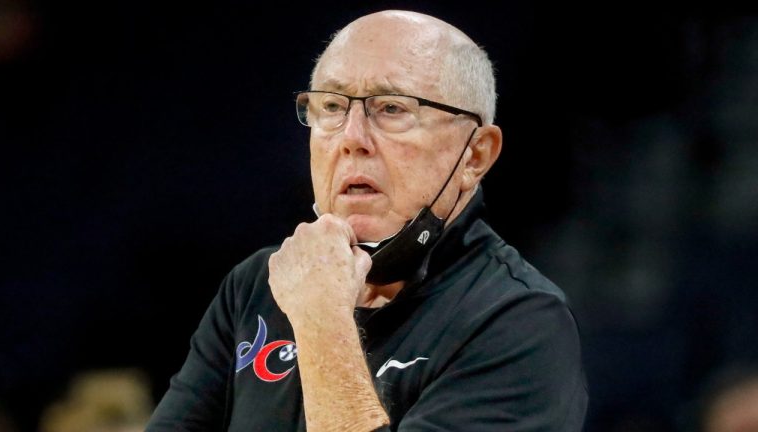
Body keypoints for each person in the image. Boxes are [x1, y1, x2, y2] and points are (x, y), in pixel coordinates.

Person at [147, 9, 588, 431]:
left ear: (475, 155)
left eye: (392, 108)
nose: (352, 139)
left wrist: (322, 318)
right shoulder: (257, 287)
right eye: (333, 108)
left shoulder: (520, 322)